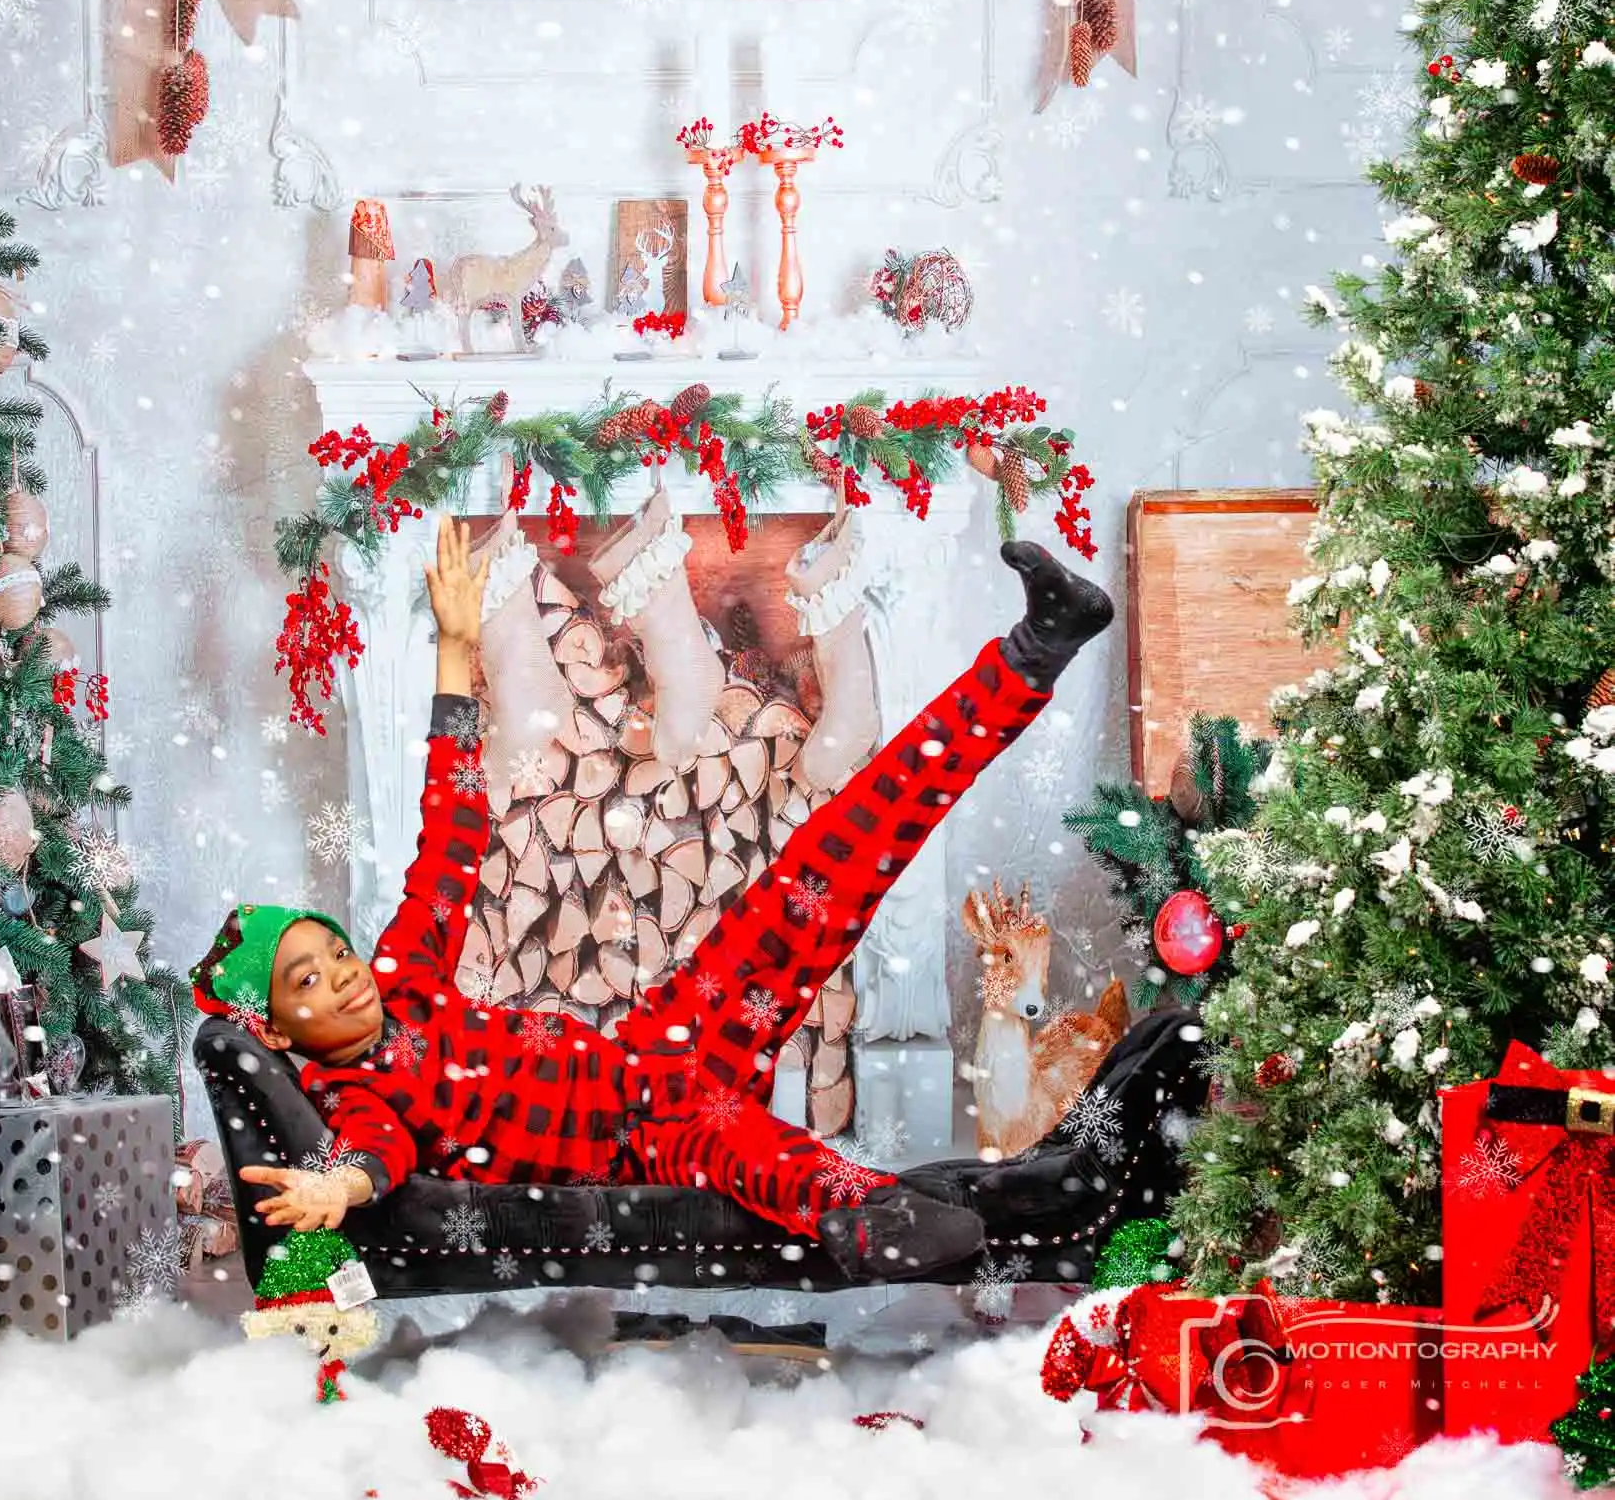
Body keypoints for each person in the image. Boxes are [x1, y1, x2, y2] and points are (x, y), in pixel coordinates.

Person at [191, 515, 1114, 1281]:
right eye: (306, 981)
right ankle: (875, 1212)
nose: (342, 975)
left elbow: (452, 826)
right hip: (639, 1134)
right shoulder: (360, 1091)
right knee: (753, 1151)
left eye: (333, 950)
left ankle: (1034, 650)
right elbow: (370, 1156)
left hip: (664, 1040)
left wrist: (456, 647)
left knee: (833, 857)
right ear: (276, 1029)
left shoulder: (404, 975)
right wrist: (335, 1189)